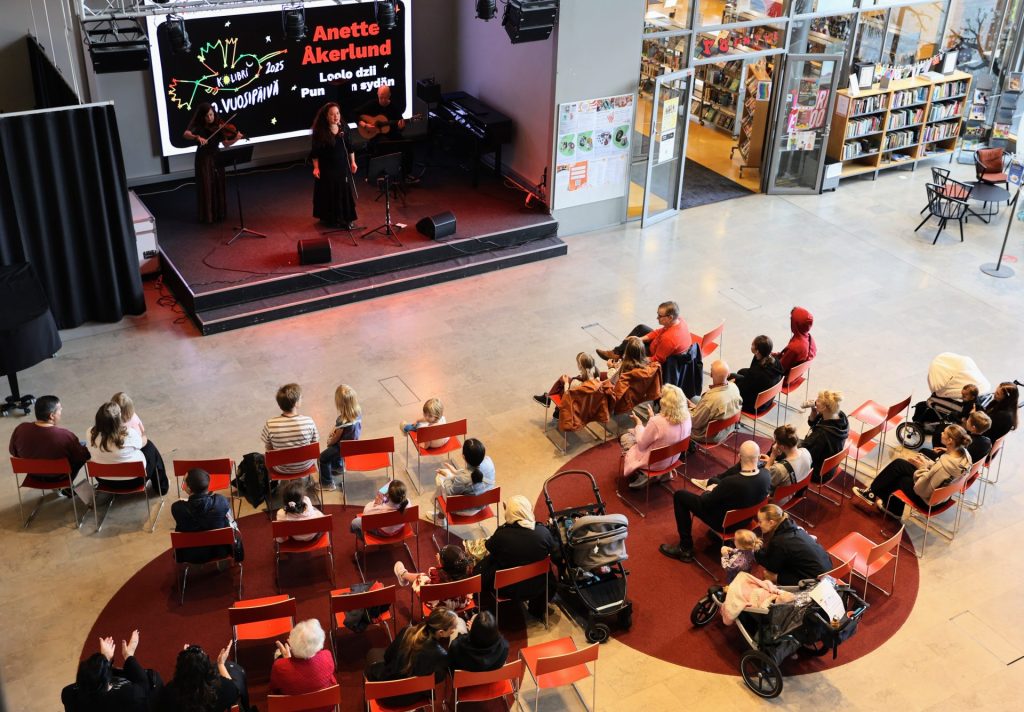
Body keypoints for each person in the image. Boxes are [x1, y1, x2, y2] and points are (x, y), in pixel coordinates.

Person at [659, 441, 771, 563]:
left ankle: (685, 548)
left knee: (680, 496)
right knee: (714, 481)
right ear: (759, 457)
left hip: (723, 523)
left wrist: (710, 490)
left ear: (739, 457)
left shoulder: (731, 482)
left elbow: (705, 501)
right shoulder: (766, 475)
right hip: (745, 521)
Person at [853, 424, 972, 517]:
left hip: (929, 502)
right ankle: (875, 495)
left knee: (901, 478)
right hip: (944, 497)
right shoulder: (965, 456)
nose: (941, 433)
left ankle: (883, 501)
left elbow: (921, 489)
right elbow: (938, 474)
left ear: (950, 441)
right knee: (900, 464)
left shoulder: (944, 466)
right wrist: (926, 463)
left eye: (944, 433)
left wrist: (921, 468)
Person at [476, 495, 557, 618]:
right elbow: (554, 551)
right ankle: (537, 609)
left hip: (506, 588)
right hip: (538, 586)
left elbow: (489, 546)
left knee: (482, 566)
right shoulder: (543, 533)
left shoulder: (502, 535)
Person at [365, 607, 459, 706]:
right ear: (441, 632)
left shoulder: (407, 631)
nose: (454, 630)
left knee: (373, 654)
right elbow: (436, 680)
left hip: (384, 694)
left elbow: (388, 656)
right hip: (412, 697)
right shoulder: (441, 655)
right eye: (453, 628)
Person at [9, 395, 90, 493]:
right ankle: (67, 487)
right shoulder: (65, 436)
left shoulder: (20, 429)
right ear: (52, 416)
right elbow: (82, 457)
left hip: (33, 476)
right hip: (58, 478)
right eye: (60, 409)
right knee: (81, 449)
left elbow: (13, 452)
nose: (61, 410)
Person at [62, 630, 156, 712]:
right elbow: (144, 685)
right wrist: (129, 656)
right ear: (107, 681)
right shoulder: (130, 695)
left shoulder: (68, 694)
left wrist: (106, 660)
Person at [621, 383, 692, 489]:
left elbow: (641, 444)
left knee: (625, 436)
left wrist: (639, 423)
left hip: (653, 463)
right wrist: (652, 418)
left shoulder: (657, 422)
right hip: (672, 458)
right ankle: (663, 474)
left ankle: (643, 475)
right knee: (635, 432)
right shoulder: (687, 418)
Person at [183, 102, 242, 224]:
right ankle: (208, 215)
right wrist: (196, 137)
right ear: (202, 117)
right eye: (206, 116)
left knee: (218, 183)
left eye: (211, 115)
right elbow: (186, 134)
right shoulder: (198, 126)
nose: (210, 118)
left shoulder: (219, 125)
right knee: (206, 185)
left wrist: (236, 138)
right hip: (204, 159)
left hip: (217, 157)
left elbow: (226, 144)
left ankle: (219, 213)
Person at [87, 402, 162, 493]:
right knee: (149, 446)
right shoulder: (129, 434)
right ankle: (162, 487)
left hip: (104, 480)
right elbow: (141, 443)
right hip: (135, 480)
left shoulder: (90, 433)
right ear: (118, 420)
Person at [171, 468, 239, 564]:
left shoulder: (177, 508)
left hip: (189, 554)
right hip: (220, 551)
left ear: (189, 489)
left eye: (184, 481)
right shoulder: (221, 501)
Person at [753, 504, 832, 585]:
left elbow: (772, 566)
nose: (759, 525)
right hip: (828, 568)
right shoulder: (794, 527)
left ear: (771, 522)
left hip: (815, 581)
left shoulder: (779, 541)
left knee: (768, 574)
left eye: (760, 521)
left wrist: (755, 549)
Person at [155, 642, 246, 712]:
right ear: (207, 669)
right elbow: (234, 691)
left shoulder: (170, 692)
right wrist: (221, 664)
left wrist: (187, 660)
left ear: (180, 668)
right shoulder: (222, 688)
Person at [596, 301, 691, 365]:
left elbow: (657, 359)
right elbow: (659, 331)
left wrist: (635, 357)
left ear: (670, 317)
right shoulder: (678, 320)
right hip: (659, 343)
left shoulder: (669, 339)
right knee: (641, 328)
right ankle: (617, 353)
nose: (657, 318)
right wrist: (640, 339)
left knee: (633, 347)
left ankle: (620, 359)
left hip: (654, 352)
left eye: (660, 316)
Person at [310, 102, 358, 230]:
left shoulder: (344, 128)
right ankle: (331, 217)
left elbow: (350, 147)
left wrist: (353, 162)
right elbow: (315, 153)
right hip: (327, 167)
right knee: (329, 190)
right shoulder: (320, 131)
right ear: (326, 116)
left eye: (337, 113)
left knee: (344, 190)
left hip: (342, 166)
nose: (336, 117)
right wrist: (316, 167)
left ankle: (347, 218)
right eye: (332, 114)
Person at [353, 85, 416, 182]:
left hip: (392, 135)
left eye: (384, 97)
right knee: (384, 144)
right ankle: (381, 174)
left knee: (407, 145)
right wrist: (364, 125)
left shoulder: (394, 107)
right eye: (380, 97)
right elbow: (354, 114)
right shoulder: (372, 104)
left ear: (389, 95)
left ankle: (406, 174)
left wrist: (401, 127)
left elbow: (399, 126)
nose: (382, 100)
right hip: (376, 136)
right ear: (377, 94)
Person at [269, 619, 336, 709]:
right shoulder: (327, 656)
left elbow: (274, 688)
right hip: (324, 708)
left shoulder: (280, 666)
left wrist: (287, 661)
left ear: (291, 643)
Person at [395, 544, 474, 620]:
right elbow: (449, 571)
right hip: (461, 602)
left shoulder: (437, 576)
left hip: (441, 606)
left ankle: (403, 574)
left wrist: (440, 563)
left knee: (421, 577)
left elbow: (438, 574)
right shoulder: (468, 570)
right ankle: (403, 575)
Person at [111, 392, 168, 495]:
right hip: (135, 480)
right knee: (151, 449)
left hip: (107, 480)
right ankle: (162, 487)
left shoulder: (101, 431)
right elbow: (142, 434)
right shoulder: (133, 421)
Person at [261, 383, 320, 477]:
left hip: (281, 468)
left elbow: (269, 449)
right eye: (301, 397)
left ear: (280, 405)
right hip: (305, 465)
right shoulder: (308, 421)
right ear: (296, 403)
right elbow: (314, 444)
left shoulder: (270, 424)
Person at [435, 437, 496, 515]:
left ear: (463, 456)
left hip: (467, 509)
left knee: (440, 477)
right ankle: (440, 513)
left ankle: (440, 516)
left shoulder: (462, 478)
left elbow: (450, 493)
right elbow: (469, 475)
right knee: (449, 476)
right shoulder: (489, 462)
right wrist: (456, 472)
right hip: (484, 503)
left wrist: (448, 477)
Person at [318, 384, 363, 491]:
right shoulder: (358, 413)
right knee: (337, 450)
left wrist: (329, 442)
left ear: (339, 403)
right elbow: (339, 428)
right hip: (353, 445)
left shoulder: (341, 420)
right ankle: (338, 466)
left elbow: (336, 438)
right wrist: (334, 429)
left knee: (322, 458)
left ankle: (327, 483)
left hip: (342, 447)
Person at [799, 389, 849, 479]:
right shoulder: (839, 417)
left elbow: (804, 454)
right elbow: (812, 423)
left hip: (817, 471)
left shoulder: (822, 434)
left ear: (824, 408)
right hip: (827, 465)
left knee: (781, 443)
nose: (815, 401)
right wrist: (814, 411)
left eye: (818, 400)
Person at [689, 360, 743, 444]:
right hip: (728, 428)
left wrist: (685, 409)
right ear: (728, 374)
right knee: (695, 399)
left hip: (709, 436)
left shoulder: (710, 400)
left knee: (678, 413)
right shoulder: (734, 387)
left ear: (711, 375)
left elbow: (695, 423)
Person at [729, 335, 783, 414]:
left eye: (752, 344)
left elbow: (742, 390)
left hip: (754, 406)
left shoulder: (756, 372)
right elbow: (750, 377)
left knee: (730, 380)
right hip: (767, 401)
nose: (751, 345)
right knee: (741, 372)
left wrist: (732, 384)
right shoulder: (776, 362)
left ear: (757, 351)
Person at [532, 351, 601, 407]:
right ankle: (548, 399)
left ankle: (549, 400)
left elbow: (567, 394)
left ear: (580, 366)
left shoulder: (577, 383)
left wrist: (566, 383)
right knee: (563, 378)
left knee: (560, 387)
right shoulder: (595, 374)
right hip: (586, 402)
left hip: (573, 402)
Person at [924, 410, 992, 465]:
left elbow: (955, 457)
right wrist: (945, 449)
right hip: (969, 468)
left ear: (973, 428)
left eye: (968, 420)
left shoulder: (968, 443)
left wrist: (939, 453)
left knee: (924, 451)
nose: (966, 421)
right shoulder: (988, 441)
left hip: (953, 466)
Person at [761, 424, 813, 492]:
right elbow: (793, 466)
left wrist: (772, 456)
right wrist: (774, 462)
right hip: (797, 491)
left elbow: (763, 480)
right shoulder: (806, 452)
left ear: (782, 447)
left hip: (778, 500)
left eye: (776, 442)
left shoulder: (778, 469)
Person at [773, 306, 816, 376]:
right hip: (796, 375)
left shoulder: (795, 347)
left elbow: (780, 367)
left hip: (785, 377)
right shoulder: (809, 338)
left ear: (795, 324)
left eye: (791, 319)